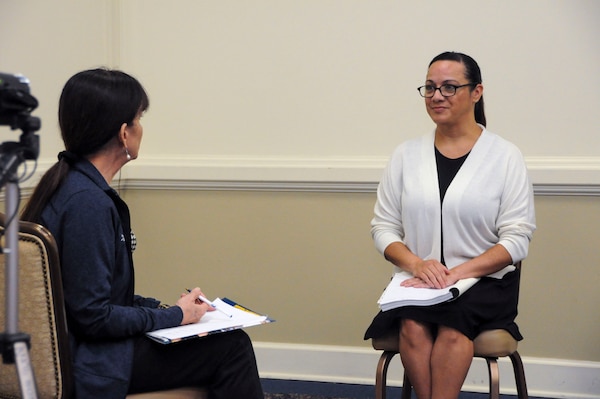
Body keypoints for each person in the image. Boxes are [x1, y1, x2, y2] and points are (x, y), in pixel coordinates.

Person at [21, 68, 264, 399]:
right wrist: (175, 316)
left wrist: (171, 311)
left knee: (211, 341)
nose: (141, 128)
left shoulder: (70, 186)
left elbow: (86, 297)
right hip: (90, 361)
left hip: (83, 349)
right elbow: (93, 317)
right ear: (124, 133)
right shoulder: (87, 204)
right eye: (139, 118)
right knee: (231, 346)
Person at [364, 51, 536, 399]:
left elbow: (517, 239)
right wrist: (417, 264)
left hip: (486, 282)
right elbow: (383, 228)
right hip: (422, 280)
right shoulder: (405, 156)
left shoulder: (505, 157)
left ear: (476, 92)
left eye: (448, 87)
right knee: (412, 325)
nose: (437, 96)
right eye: (429, 88)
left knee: (452, 327)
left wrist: (459, 273)